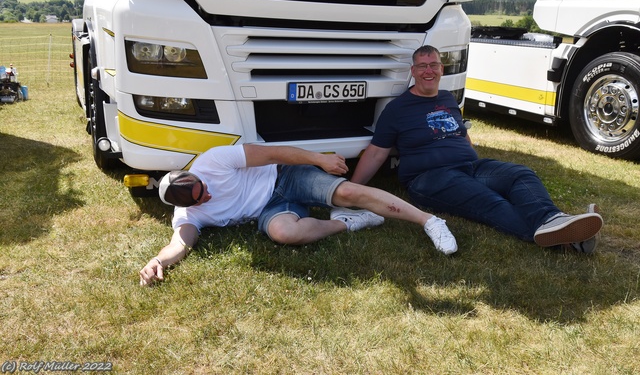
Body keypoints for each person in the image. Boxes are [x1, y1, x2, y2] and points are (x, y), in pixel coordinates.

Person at [350, 45, 603, 253]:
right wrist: (351, 189)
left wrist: (470, 156)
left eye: (434, 65)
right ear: (413, 71)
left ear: (442, 68)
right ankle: (565, 240)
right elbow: (376, 152)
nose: (429, 71)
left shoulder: (448, 98)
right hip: (429, 178)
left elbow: (462, 133)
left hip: (470, 167)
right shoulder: (397, 109)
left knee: (520, 174)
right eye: (422, 66)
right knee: (489, 200)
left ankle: (553, 220)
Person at [139, 143, 458, 286]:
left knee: (346, 192)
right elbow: (180, 243)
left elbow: (273, 153)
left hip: (283, 176)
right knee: (284, 234)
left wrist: (319, 159)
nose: (207, 195)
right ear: (188, 205)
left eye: (203, 188)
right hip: (270, 210)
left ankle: (429, 221)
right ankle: (345, 223)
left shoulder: (212, 161)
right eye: (200, 200)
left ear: (194, 174)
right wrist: (158, 261)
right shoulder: (187, 214)